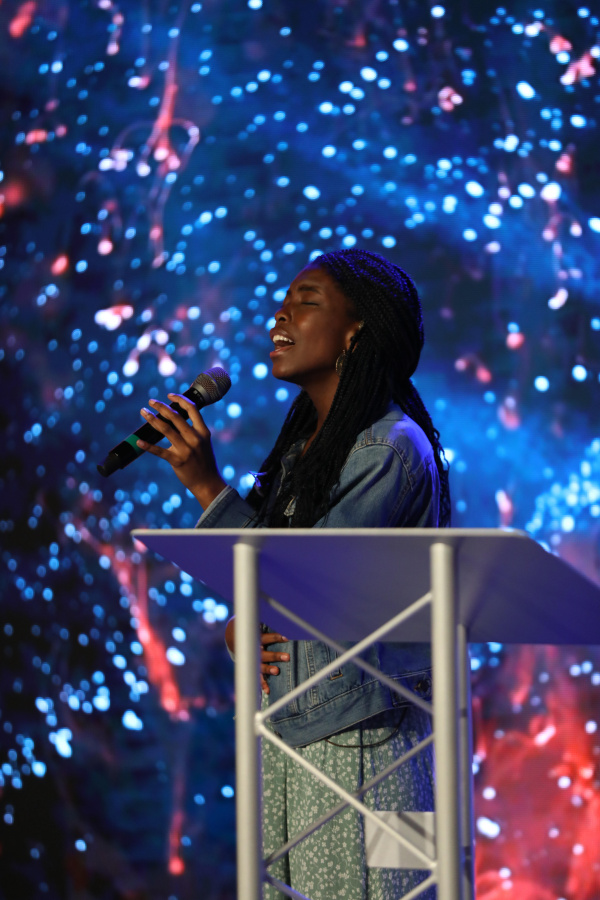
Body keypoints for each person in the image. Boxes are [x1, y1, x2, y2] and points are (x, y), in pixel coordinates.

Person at [138, 248, 449, 899]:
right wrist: (241, 628)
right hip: (294, 732)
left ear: (356, 330)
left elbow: (307, 580)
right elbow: (277, 581)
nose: (280, 316)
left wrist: (208, 489)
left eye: (306, 302)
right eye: (282, 303)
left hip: (375, 745)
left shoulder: (391, 447)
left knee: (393, 889)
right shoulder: (299, 455)